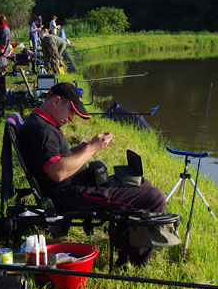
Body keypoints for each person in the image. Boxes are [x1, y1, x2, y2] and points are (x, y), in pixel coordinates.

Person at [15, 82, 167, 266]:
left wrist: (84, 147)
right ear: (56, 101)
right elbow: (58, 171)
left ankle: (125, 242)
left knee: (142, 184)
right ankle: (133, 262)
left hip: (78, 186)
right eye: (71, 112)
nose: (72, 119)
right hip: (73, 195)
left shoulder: (41, 122)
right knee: (154, 198)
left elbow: (58, 158)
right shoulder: (43, 130)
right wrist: (93, 148)